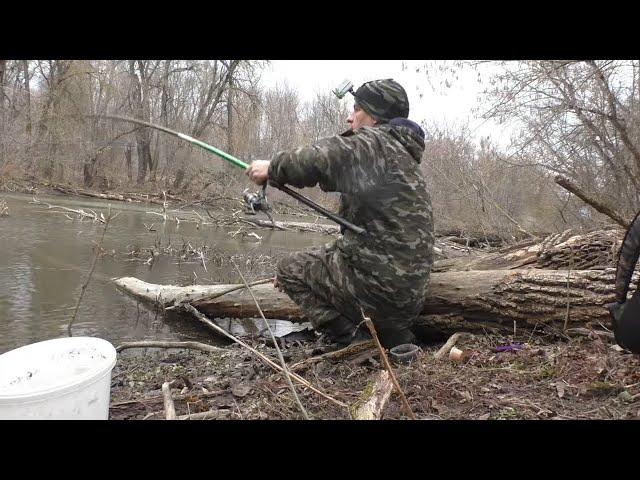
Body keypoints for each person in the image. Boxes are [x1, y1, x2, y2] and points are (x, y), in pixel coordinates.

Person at [246, 78, 434, 349]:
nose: (349, 118)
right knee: (317, 260)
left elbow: (323, 157)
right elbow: (362, 239)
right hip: (408, 301)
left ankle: (350, 339)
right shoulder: (404, 156)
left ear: (375, 116)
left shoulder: (377, 144)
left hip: (380, 295)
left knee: (289, 269)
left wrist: (273, 167)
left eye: (357, 109)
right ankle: (389, 333)